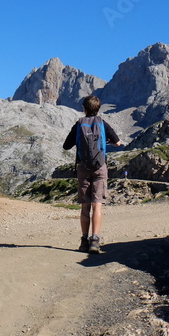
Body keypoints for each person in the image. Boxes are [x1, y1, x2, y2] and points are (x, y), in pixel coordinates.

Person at [62, 95, 122, 254]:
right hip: (100, 167)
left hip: (82, 167)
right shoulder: (103, 123)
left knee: (85, 206)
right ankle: (94, 240)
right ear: (98, 108)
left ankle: (83, 241)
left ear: (84, 108)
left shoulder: (79, 124)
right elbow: (118, 143)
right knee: (97, 205)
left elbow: (66, 146)